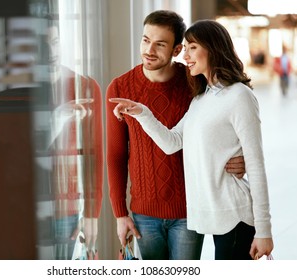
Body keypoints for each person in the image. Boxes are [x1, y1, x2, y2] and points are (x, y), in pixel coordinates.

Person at [110, 19, 274, 260]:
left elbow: (257, 165)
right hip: (215, 218)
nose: (184, 55)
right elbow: (172, 142)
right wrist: (141, 112)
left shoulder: (239, 96)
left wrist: (264, 230)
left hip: (236, 217)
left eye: (192, 48)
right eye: (184, 48)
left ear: (213, 48)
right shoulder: (201, 99)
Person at [36, 20, 103, 260]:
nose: (51, 52)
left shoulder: (85, 87)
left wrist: (92, 214)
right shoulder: (18, 92)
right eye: (42, 45)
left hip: (67, 208)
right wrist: (59, 117)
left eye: (55, 42)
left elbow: (95, 154)